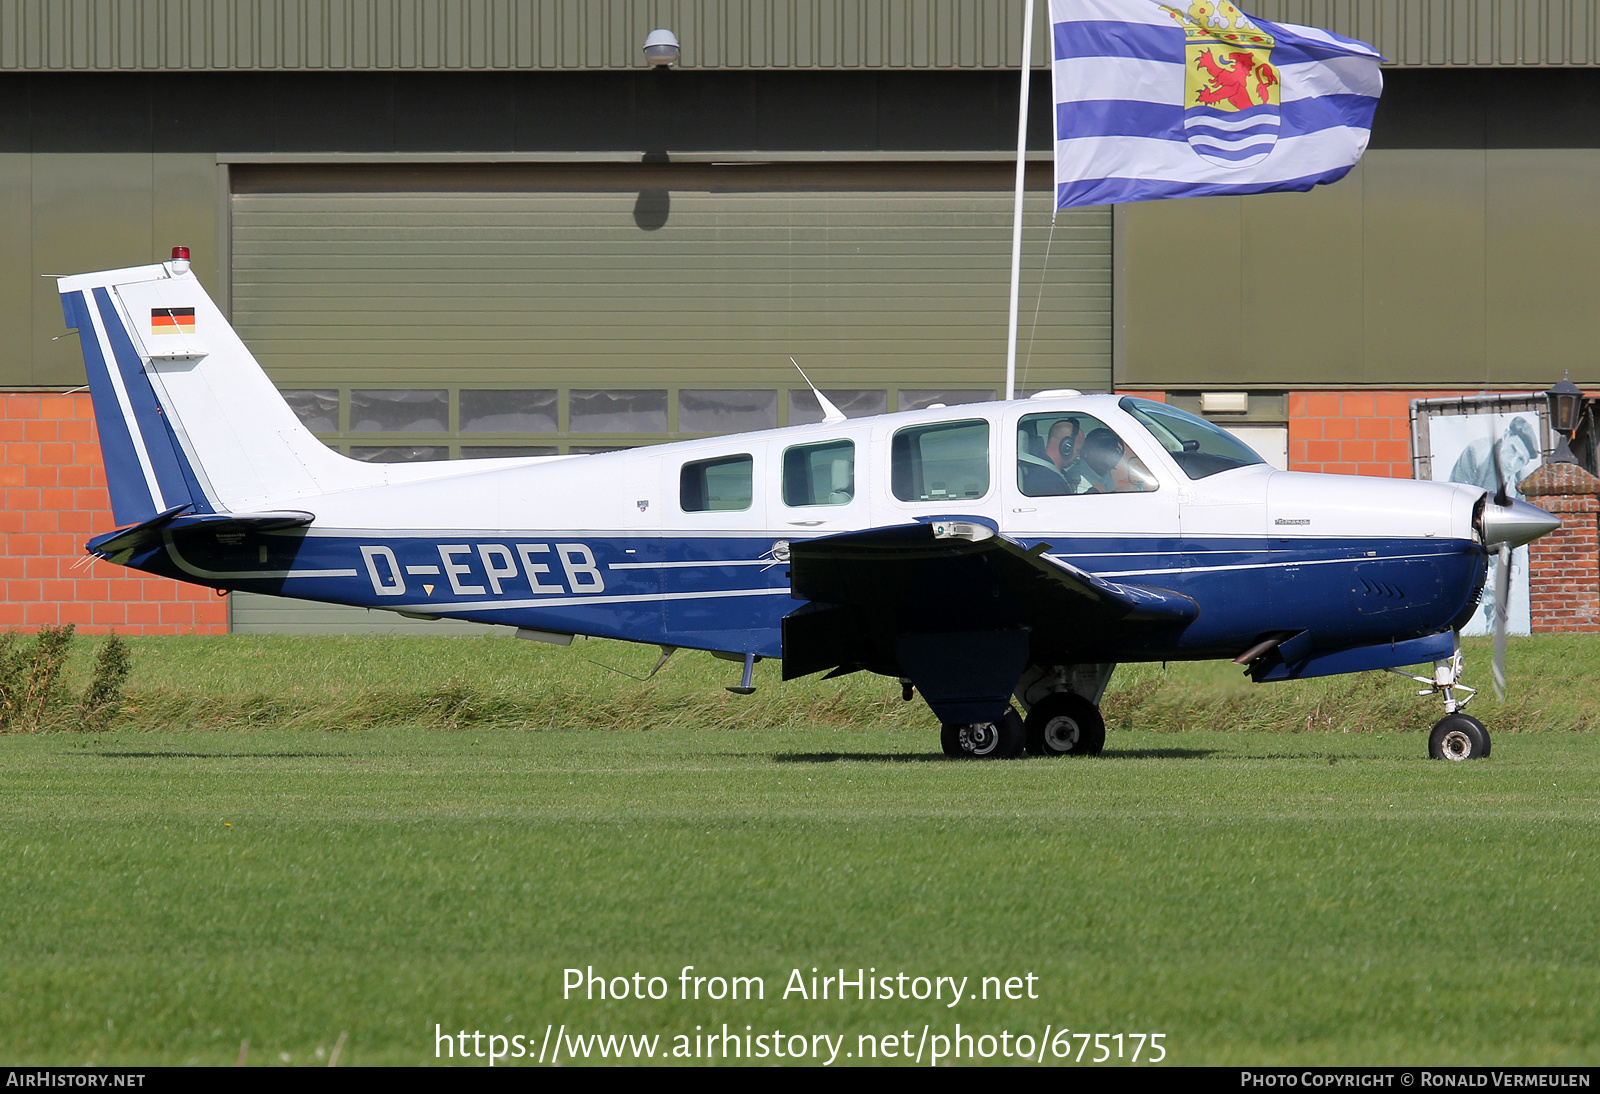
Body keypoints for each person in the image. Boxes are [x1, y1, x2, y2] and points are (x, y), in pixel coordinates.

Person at [1017, 416, 1082, 496]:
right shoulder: (1045, 479)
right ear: (1066, 447)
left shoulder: (1050, 473)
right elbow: (1066, 507)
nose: (1078, 455)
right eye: (1078, 450)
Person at [1062, 428, 1126, 494]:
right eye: (1106, 451)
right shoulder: (1078, 479)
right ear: (1090, 452)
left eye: (1112, 451)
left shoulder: (1103, 470)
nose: (1110, 457)